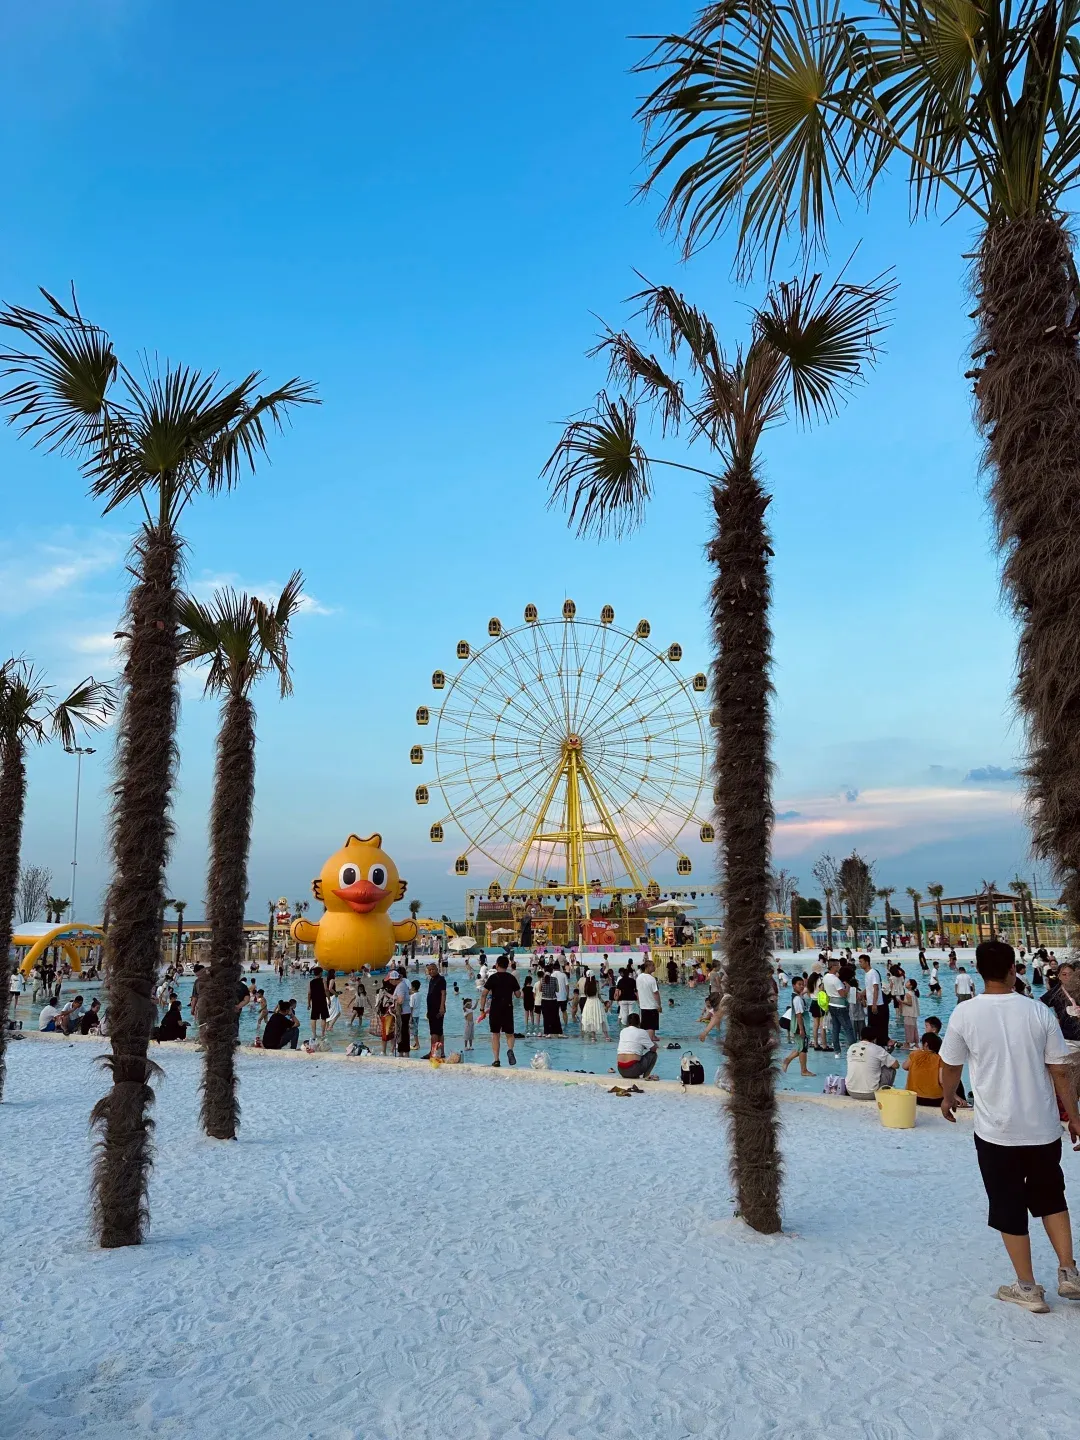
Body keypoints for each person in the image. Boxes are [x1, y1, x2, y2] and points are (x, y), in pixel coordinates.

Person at [940, 940, 1080, 1312]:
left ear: (979, 971)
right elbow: (1060, 1071)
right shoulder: (1039, 1011)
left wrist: (948, 1096)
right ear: (1012, 969)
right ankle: (1068, 1271)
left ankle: (1028, 1288)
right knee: (1052, 1196)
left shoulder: (964, 1014)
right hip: (1043, 1128)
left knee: (1007, 1204)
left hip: (996, 1131)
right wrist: (1075, 1116)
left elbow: (951, 1065)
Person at [479, 953, 520, 1066]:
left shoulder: (493, 978)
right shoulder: (511, 978)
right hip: (508, 1008)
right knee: (510, 1034)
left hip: (495, 1008)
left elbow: (484, 994)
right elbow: (518, 994)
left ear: (497, 965)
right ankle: (510, 1049)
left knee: (495, 1034)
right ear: (507, 966)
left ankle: (496, 1060)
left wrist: (482, 1010)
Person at [845, 1027, 899, 1100]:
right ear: (875, 1039)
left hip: (851, 1091)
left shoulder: (851, 1047)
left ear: (861, 1036)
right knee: (890, 1069)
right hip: (871, 1093)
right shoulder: (877, 1048)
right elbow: (896, 1065)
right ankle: (885, 1093)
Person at [780, 976, 814, 1078]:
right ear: (794, 986)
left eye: (803, 984)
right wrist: (802, 1029)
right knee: (803, 1049)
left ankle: (787, 1060)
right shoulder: (797, 999)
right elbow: (798, 1015)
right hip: (800, 1026)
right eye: (799, 984)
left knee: (801, 1047)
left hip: (801, 1025)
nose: (802, 986)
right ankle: (804, 1070)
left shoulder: (797, 996)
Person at [616, 1012, 659, 1081]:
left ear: (628, 1022)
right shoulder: (642, 1032)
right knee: (653, 1054)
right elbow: (653, 1049)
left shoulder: (623, 1031)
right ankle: (646, 1076)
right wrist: (654, 1044)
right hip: (633, 1070)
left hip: (621, 1070)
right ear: (639, 1022)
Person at [823, 959, 853, 1055]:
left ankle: (837, 1051)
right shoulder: (835, 980)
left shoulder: (825, 977)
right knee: (848, 1028)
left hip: (831, 1004)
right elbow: (842, 994)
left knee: (835, 1028)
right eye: (837, 965)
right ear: (833, 967)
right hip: (840, 1006)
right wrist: (847, 987)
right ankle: (853, 1049)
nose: (839, 967)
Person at [859, 954, 888, 1046]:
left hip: (877, 1004)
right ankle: (874, 1044)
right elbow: (869, 988)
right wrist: (860, 994)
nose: (860, 964)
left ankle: (881, 1044)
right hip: (870, 1003)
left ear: (867, 962)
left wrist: (874, 1004)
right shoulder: (867, 974)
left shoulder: (873, 973)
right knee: (871, 1025)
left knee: (877, 1026)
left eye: (861, 962)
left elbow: (876, 988)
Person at [423, 962, 447, 1057]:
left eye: (433, 969)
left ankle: (433, 1052)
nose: (431, 971)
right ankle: (440, 1052)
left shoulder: (441, 980)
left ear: (437, 969)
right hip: (431, 1009)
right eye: (429, 970)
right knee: (438, 1031)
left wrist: (442, 1007)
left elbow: (443, 993)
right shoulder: (431, 980)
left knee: (435, 1032)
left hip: (438, 1009)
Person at [636, 958, 662, 1042]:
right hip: (652, 1005)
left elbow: (638, 991)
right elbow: (656, 993)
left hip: (643, 1005)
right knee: (651, 1025)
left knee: (645, 1023)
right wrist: (659, 1005)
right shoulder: (652, 979)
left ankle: (652, 1036)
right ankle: (650, 1041)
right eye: (653, 966)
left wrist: (639, 1002)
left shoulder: (639, 977)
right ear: (647, 967)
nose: (654, 967)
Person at [580, 969, 608, 1040]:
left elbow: (586, 994)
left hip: (588, 1002)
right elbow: (598, 994)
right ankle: (607, 1037)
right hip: (596, 1002)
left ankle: (593, 1037)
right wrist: (603, 1001)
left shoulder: (586, 984)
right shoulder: (597, 983)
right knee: (601, 1018)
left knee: (590, 1019)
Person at [392, 969, 412, 1057]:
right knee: (401, 1032)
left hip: (403, 1012)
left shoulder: (400, 986)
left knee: (403, 1033)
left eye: (391, 980)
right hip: (403, 1012)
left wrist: (393, 998)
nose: (390, 982)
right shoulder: (401, 985)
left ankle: (405, 1052)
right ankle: (401, 1051)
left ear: (394, 979)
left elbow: (400, 1000)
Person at [308, 967, 329, 1040]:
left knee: (313, 1018)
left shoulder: (311, 982)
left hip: (314, 1001)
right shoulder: (323, 980)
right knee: (323, 1017)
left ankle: (314, 1035)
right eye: (322, 972)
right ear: (320, 973)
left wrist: (308, 1003)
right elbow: (326, 990)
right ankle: (323, 1034)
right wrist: (329, 999)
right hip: (322, 1000)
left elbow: (309, 993)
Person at [539, 968, 561, 1036]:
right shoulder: (555, 979)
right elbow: (557, 990)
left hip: (544, 1001)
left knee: (546, 1017)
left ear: (545, 971)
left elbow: (540, 989)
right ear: (551, 972)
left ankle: (547, 1032)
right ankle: (556, 1032)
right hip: (553, 1001)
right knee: (555, 1017)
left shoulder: (542, 979)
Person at [901, 979, 921, 1047]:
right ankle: (916, 1043)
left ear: (911, 986)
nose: (906, 983)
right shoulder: (913, 993)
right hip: (913, 1013)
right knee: (914, 1028)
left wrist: (901, 1001)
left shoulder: (908, 994)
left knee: (908, 1028)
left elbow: (909, 1003)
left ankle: (908, 1043)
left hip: (909, 1013)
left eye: (907, 982)